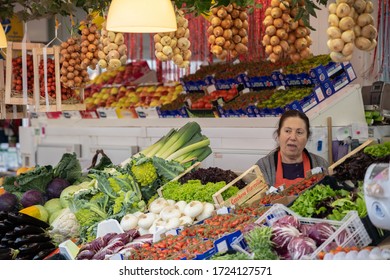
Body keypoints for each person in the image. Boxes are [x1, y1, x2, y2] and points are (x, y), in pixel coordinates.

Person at [256, 110, 328, 188]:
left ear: (307, 137)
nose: (293, 137)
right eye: (287, 131)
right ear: (279, 134)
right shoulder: (263, 167)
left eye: (299, 132)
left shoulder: (321, 164)